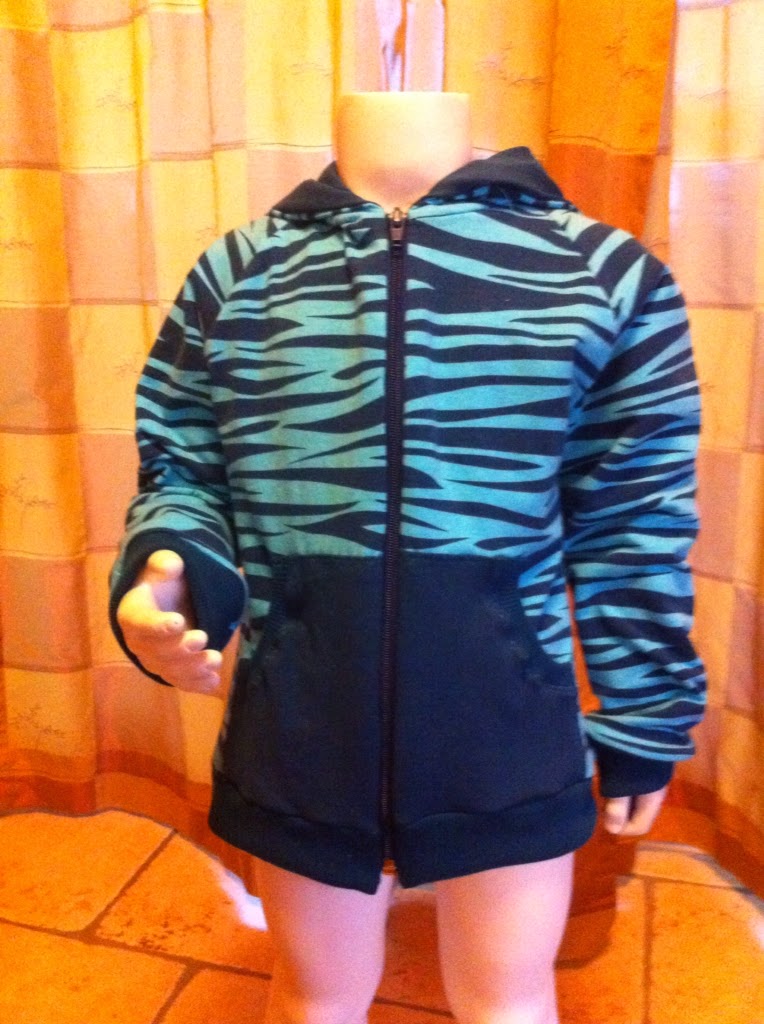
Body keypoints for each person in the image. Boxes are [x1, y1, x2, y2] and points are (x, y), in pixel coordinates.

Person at [110, 92, 706, 1024]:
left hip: (506, 724)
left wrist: (647, 709)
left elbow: (635, 514)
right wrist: (170, 568)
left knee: (507, 998)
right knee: (314, 996)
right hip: (299, 724)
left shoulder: (603, 273)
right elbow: (183, 465)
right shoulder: (239, 273)